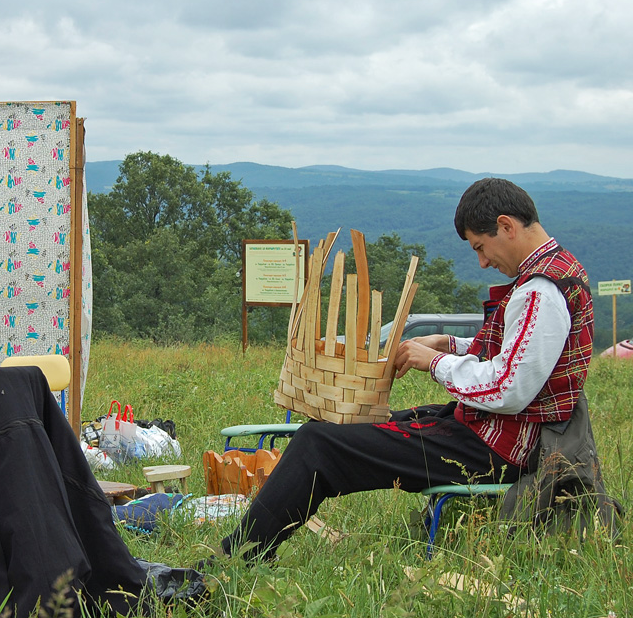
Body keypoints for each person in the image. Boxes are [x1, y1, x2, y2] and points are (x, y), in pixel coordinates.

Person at [219, 177, 594, 561]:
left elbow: (509, 388)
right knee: (332, 431)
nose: (483, 262)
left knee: (319, 444)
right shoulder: (559, 271)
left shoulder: (540, 290)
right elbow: (522, 354)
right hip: (498, 436)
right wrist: (450, 344)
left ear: (507, 226)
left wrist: (434, 363)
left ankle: (236, 560)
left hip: (498, 448)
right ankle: (250, 549)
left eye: (481, 247)